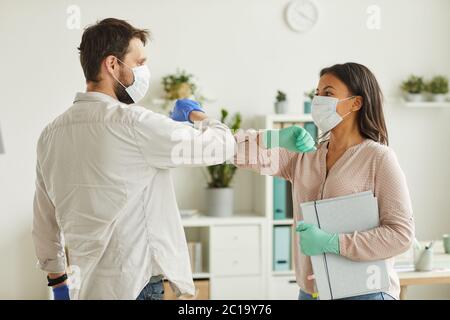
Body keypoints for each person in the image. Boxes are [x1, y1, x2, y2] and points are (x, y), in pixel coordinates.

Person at [32, 18, 235, 300]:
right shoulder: (134, 123)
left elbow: (44, 219)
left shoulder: (50, 135)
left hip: (85, 286)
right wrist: (196, 114)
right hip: (134, 285)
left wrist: (57, 281)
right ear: (112, 64)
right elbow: (222, 146)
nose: (143, 72)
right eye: (139, 63)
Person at [234, 62, 414, 300]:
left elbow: (401, 235)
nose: (318, 101)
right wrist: (272, 137)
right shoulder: (303, 154)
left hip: (365, 292)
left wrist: (333, 243)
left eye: (328, 93)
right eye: (316, 94)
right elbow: (235, 152)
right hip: (311, 293)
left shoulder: (379, 158)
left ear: (356, 103)